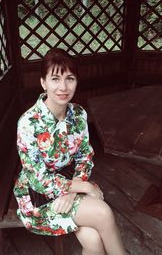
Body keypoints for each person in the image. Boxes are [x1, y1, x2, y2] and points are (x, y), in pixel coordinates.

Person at [14, 48, 126, 255]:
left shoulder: (78, 114)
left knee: (92, 240)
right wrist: (84, 186)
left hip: (70, 185)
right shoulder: (28, 123)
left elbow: (85, 156)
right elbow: (38, 180)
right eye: (55, 79)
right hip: (38, 196)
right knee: (103, 213)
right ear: (43, 82)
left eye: (70, 78)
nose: (63, 87)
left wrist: (73, 191)